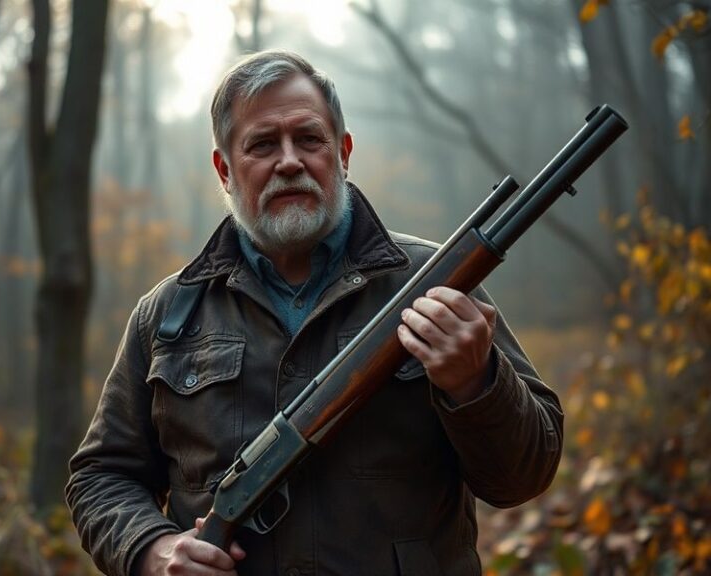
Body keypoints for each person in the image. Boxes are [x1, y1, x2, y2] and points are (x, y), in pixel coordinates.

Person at [66, 49, 563, 576]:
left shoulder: (436, 284)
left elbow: (523, 478)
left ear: (343, 153)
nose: (289, 161)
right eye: (262, 144)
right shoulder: (166, 315)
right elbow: (100, 476)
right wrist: (153, 550)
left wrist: (476, 384)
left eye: (309, 139)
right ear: (224, 168)